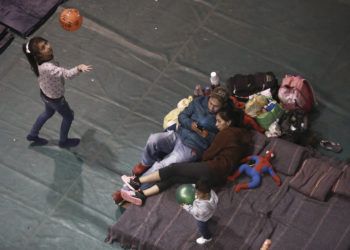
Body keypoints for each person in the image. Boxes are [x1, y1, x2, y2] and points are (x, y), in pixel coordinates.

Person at [119, 107, 252, 205]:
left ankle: (137, 181)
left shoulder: (227, 134)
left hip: (212, 169)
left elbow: (208, 154)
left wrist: (201, 159)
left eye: (219, 121)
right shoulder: (243, 137)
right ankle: (141, 195)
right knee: (175, 178)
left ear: (228, 123)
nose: (216, 125)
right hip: (219, 178)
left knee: (173, 169)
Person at [23, 37, 92, 147]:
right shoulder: (49, 68)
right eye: (43, 47)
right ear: (38, 54)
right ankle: (63, 141)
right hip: (56, 99)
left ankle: (32, 134)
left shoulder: (38, 60)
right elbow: (68, 74)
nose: (48, 46)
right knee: (68, 117)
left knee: (48, 113)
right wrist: (79, 68)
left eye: (46, 43)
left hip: (45, 94)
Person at [182, 178, 218, 245]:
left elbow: (196, 212)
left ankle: (207, 237)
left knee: (202, 228)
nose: (196, 193)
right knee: (208, 217)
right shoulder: (211, 192)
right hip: (209, 213)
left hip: (201, 219)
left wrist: (186, 207)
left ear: (206, 194)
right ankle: (209, 219)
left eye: (198, 193)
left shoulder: (203, 207)